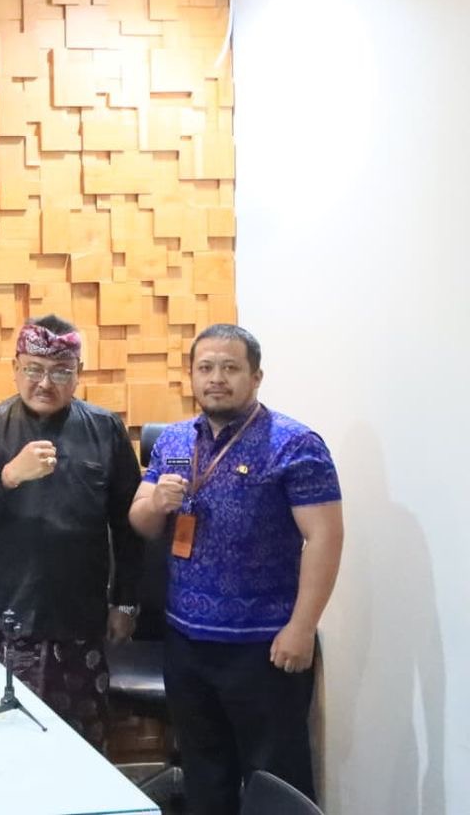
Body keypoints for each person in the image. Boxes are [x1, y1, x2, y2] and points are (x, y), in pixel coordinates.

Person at [129, 324, 342, 814]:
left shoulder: (294, 444)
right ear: (191, 375)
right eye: (205, 367)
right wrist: (157, 502)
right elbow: (139, 521)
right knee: (205, 777)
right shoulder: (174, 441)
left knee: (275, 782)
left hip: (264, 647)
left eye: (230, 367)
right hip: (186, 644)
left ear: (256, 376)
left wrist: (301, 628)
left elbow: (325, 537)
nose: (216, 378)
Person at [0, 314, 142, 748]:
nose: (44, 382)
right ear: (15, 367)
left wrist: (126, 603)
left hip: (81, 616)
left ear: (78, 373)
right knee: (8, 743)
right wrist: (9, 476)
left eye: (60, 371)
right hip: (11, 616)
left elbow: (128, 525)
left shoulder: (105, 428)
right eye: (34, 369)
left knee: (82, 744)